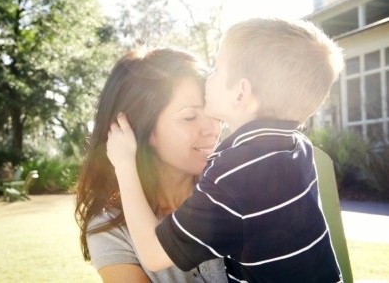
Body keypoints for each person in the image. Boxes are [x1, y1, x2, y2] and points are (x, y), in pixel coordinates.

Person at [106, 18, 345, 282]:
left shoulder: (232, 177)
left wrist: (124, 164)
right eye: (188, 117)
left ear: (241, 93)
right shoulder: (298, 148)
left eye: (217, 69)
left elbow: (153, 255)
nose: (209, 77)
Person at [74, 47, 228, 282]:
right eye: (189, 117)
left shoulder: (233, 193)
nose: (213, 129)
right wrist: (125, 167)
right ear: (136, 128)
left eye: (214, 114)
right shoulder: (110, 229)